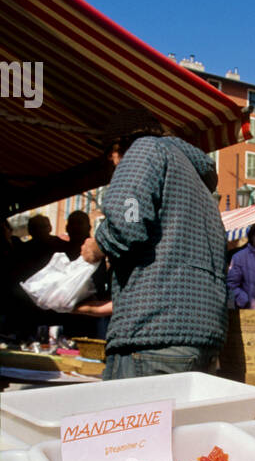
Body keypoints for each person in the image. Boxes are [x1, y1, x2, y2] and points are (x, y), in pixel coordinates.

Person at [80, 111, 228, 379]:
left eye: (110, 156)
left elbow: (129, 222)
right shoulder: (193, 181)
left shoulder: (143, 150)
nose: (113, 165)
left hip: (152, 335)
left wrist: (98, 245)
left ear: (117, 147)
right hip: (200, 337)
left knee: (130, 421)